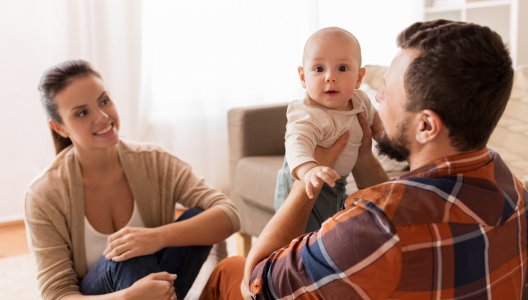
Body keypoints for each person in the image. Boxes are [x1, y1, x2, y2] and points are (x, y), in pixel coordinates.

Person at [199, 19, 528, 299]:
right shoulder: (514, 191)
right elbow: (411, 207)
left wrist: (304, 184)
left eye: (387, 92)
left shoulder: (373, 229)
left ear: (426, 125)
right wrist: (361, 157)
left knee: (230, 270)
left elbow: (257, 284)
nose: (377, 99)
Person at [24, 60, 241, 300]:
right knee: (128, 254)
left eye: (104, 101)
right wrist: (128, 297)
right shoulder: (43, 195)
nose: (102, 116)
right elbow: (57, 295)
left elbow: (229, 215)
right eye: (82, 113)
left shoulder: (154, 161)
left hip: (162, 291)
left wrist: (156, 237)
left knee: (192, 219)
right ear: (59, 127)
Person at [274, 27, 383, 233]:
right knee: (302, 236)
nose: (330, 77)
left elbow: (377, 125)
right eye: (319, 69)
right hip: (302, 181)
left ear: (359, 77)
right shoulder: (307, 112)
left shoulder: (360, 101)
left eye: (342, 68)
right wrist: (309, 171)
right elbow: (297, 144)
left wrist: (388, 139)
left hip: (336, 181)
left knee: (329, 229)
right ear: (303, 77)